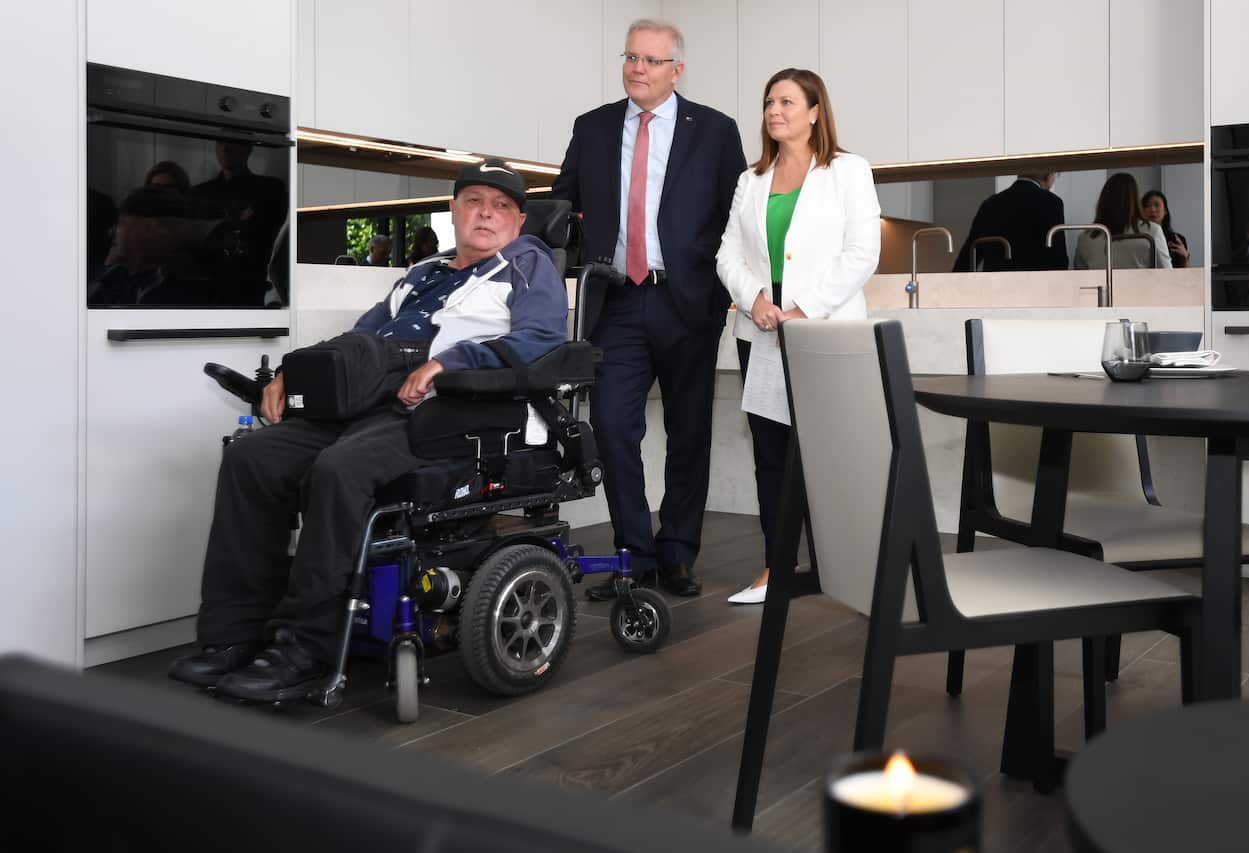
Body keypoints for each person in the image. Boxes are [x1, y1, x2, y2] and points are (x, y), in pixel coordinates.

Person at [168, 159, 568, 701]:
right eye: (473, 200)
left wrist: (449, 362)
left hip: (453, 411)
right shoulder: (422, 273)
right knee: (253, 457)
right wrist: (297, 371)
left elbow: (542, 339)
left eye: (501, 206)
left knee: (340, 469)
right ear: (452, 211)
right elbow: (360, 338)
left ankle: (306, 647)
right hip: (370, 404)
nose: (486, 214)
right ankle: (232, 636)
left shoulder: (526, 262)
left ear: (519, 221)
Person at [551, 19, 745, 601]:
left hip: (687, 301)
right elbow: (563, 205)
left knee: (689, 433)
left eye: (651, 60)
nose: (638, 68)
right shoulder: (593, 128)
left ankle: (678, 552)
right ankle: (634, 553)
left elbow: (738, 217)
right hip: (617, 300)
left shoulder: (714, 130)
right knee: (611, 424)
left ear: (676, 69)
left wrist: (728, 287)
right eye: (631, 57)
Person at [715, 69, 881, 605]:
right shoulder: (751, 179)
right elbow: (727, 255)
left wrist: (804, 309)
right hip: (760, 330)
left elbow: (863, 252)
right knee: (771, 454)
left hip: (824, 331)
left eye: (787, 101)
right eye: (768, 101)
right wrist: (757, 300)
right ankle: (777, 567)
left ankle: (851, 564)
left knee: (830, 449)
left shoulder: (847, 171)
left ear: (814, 112)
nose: (774, 110)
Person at [191, 140, 288, 304]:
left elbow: (270, 239)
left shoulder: (269, 189)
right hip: (206, 288)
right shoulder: (199, 194)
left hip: (251, 286)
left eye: (232, 142)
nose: (225, 148)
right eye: (220, 143)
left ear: (248, 148)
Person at [952, 173, 1067, 271]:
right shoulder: (1052, 203)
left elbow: (969, 256)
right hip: (1035, 287)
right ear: (1048, 176)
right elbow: (1059, 257)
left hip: (994, 288)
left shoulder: (990, 204)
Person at [1073, 172, 1171, 270]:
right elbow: (1167, 274)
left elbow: (1080, 279)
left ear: (1103, 200)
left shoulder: (1086, 237)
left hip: (1101, 285)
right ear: (1135, 199)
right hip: (1141, 285)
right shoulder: (1152, 231)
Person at [1141, 189, 1189, 268]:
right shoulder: (1138, 238)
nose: (1152, 210)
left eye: (1157, 205)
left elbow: (1186, 276)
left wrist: (1185, 259)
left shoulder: (1177, 240)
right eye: (1147, 206)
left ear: (1165, 211)